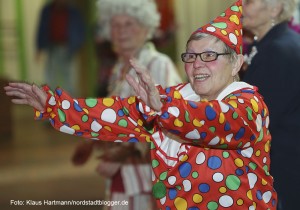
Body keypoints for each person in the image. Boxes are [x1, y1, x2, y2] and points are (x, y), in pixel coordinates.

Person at [4, 0, 278, 209]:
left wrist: (163, 109)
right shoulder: (176, 97)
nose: (197, 65)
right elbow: (114, 114)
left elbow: (215, 122)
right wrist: (53, 105)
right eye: (191, 56)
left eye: (209, 55)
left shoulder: (247, 103)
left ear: (237, 63)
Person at [72, 0, 182, 209]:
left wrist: (126, 150)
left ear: (147, 27)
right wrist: (91, 140)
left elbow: (170, 121)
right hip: (124, 176)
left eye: (129, 24)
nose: (121, 31)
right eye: (115, 24)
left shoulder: (157, 64)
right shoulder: (118, 69)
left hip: (148, 180)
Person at [241, 0, 300, 209]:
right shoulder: (280, 43)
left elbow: (251, 120)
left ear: (275, 9)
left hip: (283, 170)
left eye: (249, 1)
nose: (240, 5)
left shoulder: (277, 50)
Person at [36, 0, 85, 96]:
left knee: (69, 76)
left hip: (68, 47)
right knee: (50, 74)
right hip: (51, 47)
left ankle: (71, 101)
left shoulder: (73, 11)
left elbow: (80, 30)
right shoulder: (47, 10)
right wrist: (39, 47)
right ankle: (49, 98)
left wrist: (78, 45)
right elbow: (41, 28)